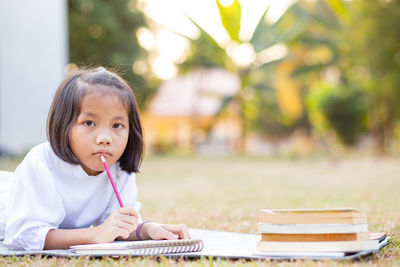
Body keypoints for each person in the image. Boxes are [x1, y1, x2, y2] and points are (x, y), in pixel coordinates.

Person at [0, 67, 189, 250]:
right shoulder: (40, 164)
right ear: (63, 124)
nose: (105, 138)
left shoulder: (118, 169)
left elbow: (114, 227)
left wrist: (147, 229)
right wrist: (95, 235)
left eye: (117, 125)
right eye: (89, 123)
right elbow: (25, 235)